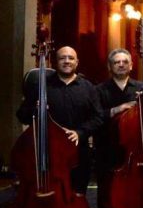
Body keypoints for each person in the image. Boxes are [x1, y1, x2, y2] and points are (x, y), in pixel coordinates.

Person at [17, 46, 103, 195]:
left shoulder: (89, 88)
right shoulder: (40, 86)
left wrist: (79, 133)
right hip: (47, 152)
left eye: (71, 58)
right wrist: (34, 108)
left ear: (77, 62)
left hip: (78, 152)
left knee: (77, 195)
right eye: (62, 58)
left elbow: (98, 117)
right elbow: (22, 116)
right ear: (55, 62)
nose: (67, 61)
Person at [95, 48, 143, 208]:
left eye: (125, 62)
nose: (121, 65)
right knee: (105, 195)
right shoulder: (99, 90)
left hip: (134, 152)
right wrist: (116, 109)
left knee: (134, 193)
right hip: (107, 151)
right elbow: (94, 117)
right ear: (110, 67)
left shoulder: (141, 88)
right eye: (117, 62)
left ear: (131, 65)